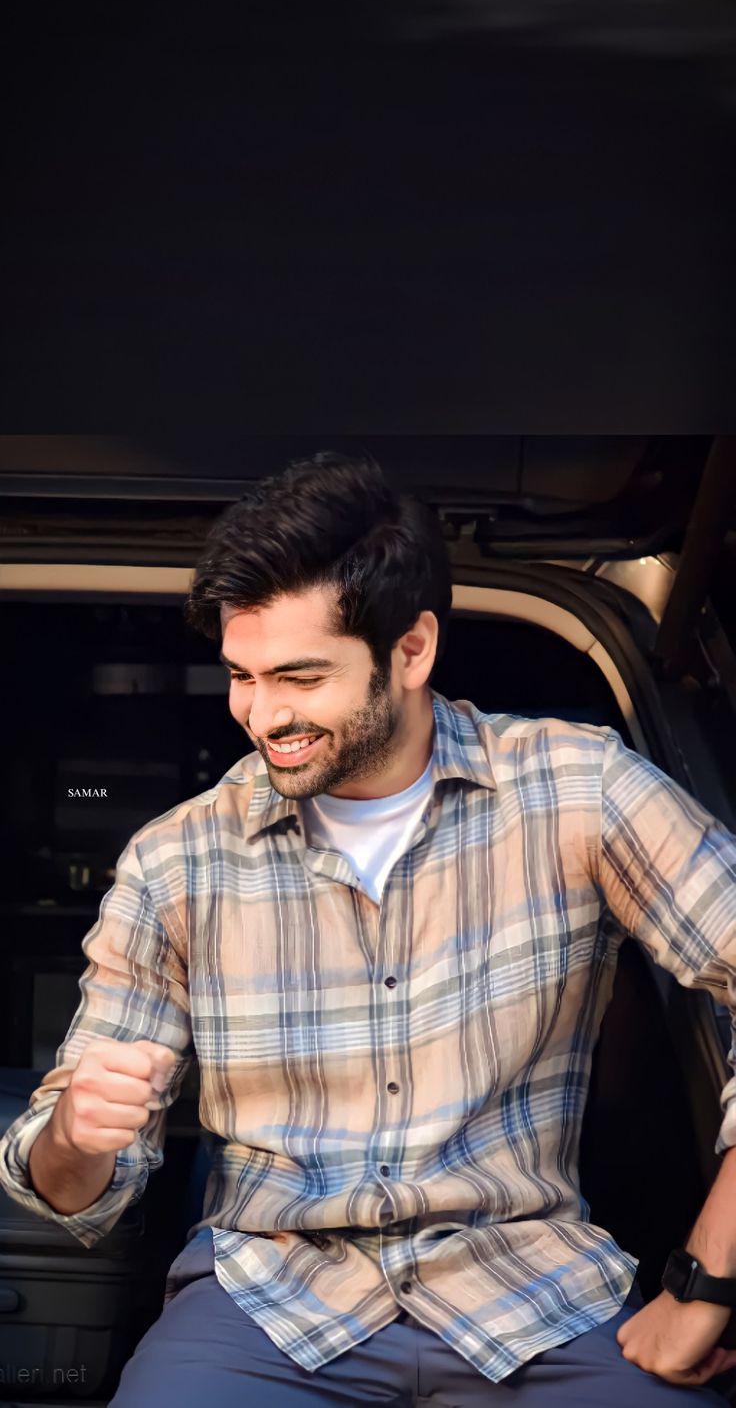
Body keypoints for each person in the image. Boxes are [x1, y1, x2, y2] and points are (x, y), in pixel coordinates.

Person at [1, 450, 735, 1407]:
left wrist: (707, 1283)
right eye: (241, 676)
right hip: (266, 1302)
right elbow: (66, 1187)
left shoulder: (579, 789)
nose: (263, 716)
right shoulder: (175, 859)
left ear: (413, 648)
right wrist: (79, 1134)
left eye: (300, 676)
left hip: (532, 1291)